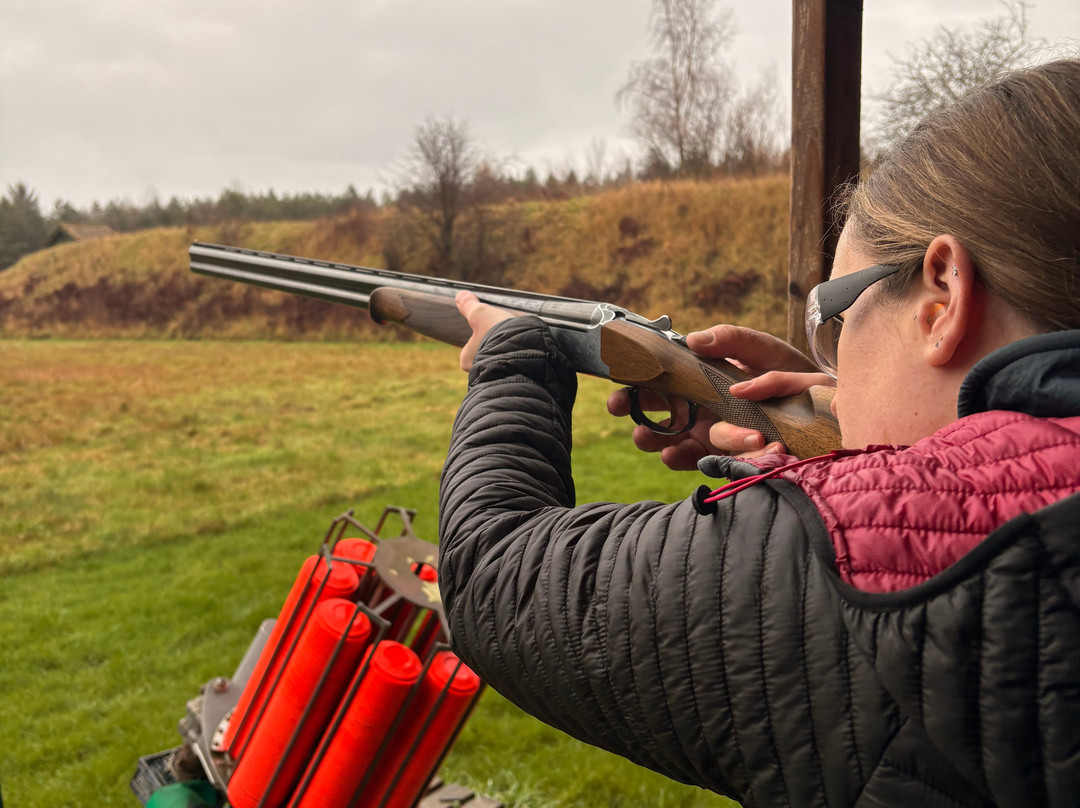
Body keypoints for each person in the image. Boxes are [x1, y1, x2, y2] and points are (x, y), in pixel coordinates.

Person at [437, 59, 1080, 808]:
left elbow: (496, 579)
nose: (828, 368)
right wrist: (838, 436)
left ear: (941, 297)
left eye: (835, 324)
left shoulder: (874, 559)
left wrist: (509, 359)